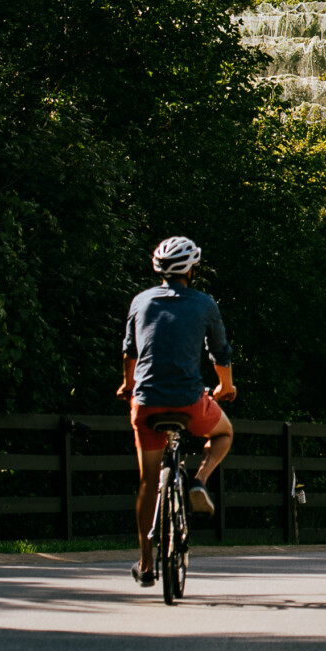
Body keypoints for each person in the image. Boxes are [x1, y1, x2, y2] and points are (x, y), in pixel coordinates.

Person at [118, 235, 235, 586]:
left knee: (147, 482)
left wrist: (127, 385)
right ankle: (199, 481)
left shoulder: (141, 301)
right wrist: (225, 386)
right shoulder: (204, 304)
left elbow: (130, 351)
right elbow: (220, 352)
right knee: (224, 432)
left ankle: (146, 564)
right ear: (191, 270)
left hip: (147, 402)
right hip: (189, 401)